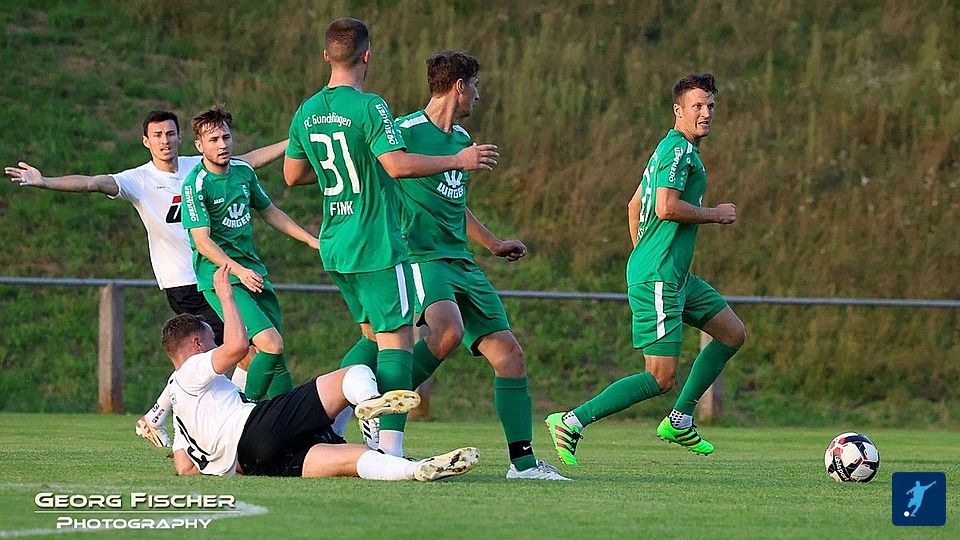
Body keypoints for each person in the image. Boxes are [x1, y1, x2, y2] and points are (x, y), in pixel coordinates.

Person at [282, 18, 499, 457]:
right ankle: (390, 451)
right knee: (399, 343)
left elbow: (292, 174)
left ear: (327, 56)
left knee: (371, 340)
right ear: (367, 55)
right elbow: (397, 165)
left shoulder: (307, 110)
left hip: (336, 243)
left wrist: (349, 166)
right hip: (376, 242)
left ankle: (322, 424)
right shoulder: (370, 106)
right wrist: (458, 160)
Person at [545, 73, 746, 465]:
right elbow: (665, 207)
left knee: (731, 333)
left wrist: (646, 252)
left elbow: (634, 205)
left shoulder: (672, 149)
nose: (706, 113)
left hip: (674, 276)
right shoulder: (677, 150)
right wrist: (715, 214)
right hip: (659, 277)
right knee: (659, 377)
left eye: (710, 106)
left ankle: (680, 419)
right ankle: (571, 421)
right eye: (697, 106)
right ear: (678, 111)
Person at [390, 50, 567, 480]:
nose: (478, 95)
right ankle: (384, 407)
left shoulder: (461, 140)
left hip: (462, 262)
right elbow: (391, 169)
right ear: (459, 86)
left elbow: (456, 205)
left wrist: (493, 243)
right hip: (421, 256)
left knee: (510, 355)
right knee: (446, 331)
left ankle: (523, 465)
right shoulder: (403, 131)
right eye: (475, 86)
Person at [148, 263, 478, 481]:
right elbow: (236, 346)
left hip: (253, 462)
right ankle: (368, 403)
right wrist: (227, 297)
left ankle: (413, 470)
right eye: (210, 340)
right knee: (353, 373)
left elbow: (185, 468)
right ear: (196, 344)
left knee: (352, 460)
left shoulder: (179, 405)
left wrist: (227, 465)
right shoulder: (192, 368)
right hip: (254, 427)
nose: (215, 344)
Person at [4, 110, 287, 345]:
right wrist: (45, 181)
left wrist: (293, 141)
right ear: (146, 141)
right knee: (235, 344)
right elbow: (92, 183)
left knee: (241, 345)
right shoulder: (138, 180)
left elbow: (250, 160)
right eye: (157, 135)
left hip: (215, 273)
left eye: (170, 134)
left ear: (180, 138)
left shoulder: (199, 167)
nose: (165, 141)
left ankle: (223, 395)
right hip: (183, 282)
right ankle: (199, 394)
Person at [181, 105, 318, 401]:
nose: (222, 145)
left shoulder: (243, 172)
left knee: (276, 358)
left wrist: (310, 240)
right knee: (270, 344)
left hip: (253, 272)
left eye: (226, 137)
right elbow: (202, 241)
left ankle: (288, 423)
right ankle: (242, 412)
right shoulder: (196, 184)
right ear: (199, 145)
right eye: (214, 140)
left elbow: (270, 211)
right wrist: (238, 271)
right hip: (222, 277)